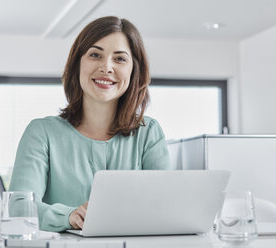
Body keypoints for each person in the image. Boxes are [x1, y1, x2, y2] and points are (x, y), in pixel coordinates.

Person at [9, 16, 171, 232]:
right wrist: (68, 216)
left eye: (120, 59)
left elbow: (166, 207)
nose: (106, 67)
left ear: (134, 72)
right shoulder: (41, 132)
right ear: (77, 64)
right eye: (95, 55)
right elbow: (19, 207)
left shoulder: (149, 133)